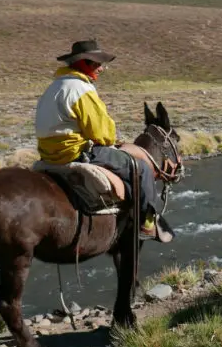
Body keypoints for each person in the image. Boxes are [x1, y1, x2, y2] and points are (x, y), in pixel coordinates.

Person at [35, 40, 170, 241]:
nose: (101, 68)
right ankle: (147, 223)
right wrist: (110, 139)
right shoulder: (81, 89)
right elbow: (102, 133)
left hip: (48, 153)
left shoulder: (53, 87)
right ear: (85, 63)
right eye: (98, 64)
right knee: (140, 168)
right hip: (76, 151)